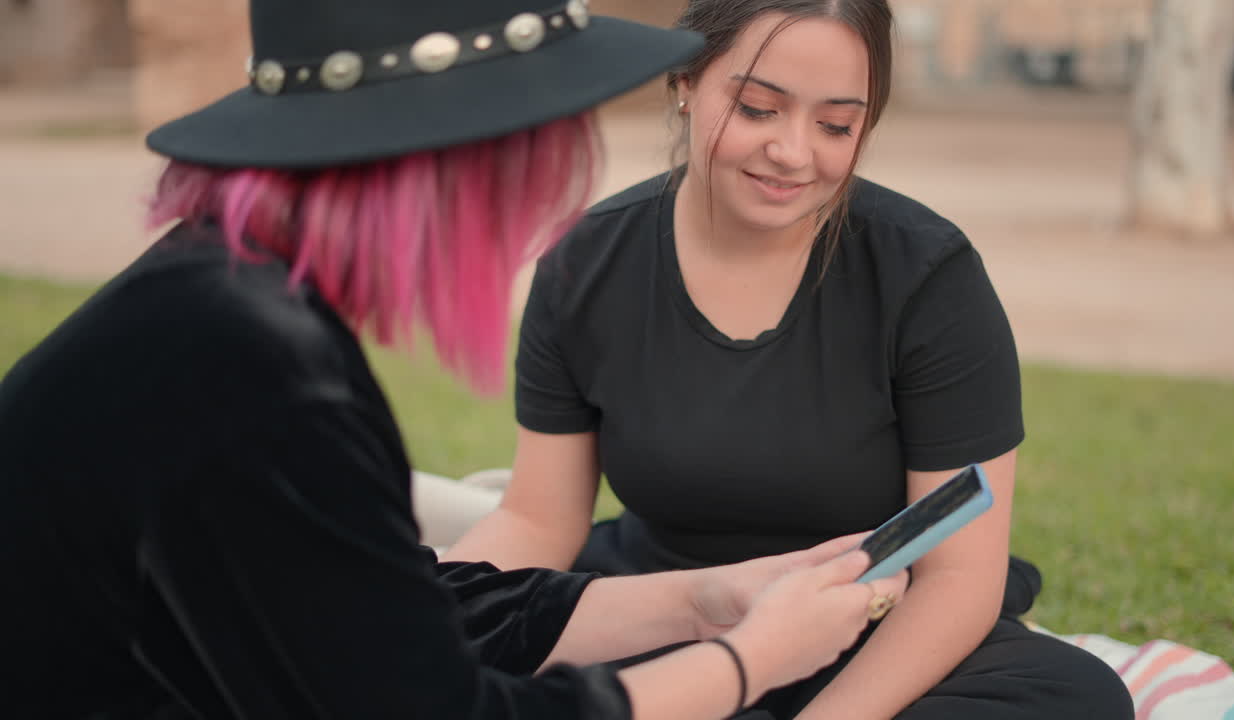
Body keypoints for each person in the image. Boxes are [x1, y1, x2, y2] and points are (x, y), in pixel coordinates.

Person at [0, 0, 909, 717]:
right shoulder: (259, 375)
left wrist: (701, 602)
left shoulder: (215, 297)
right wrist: (750, 663)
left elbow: (377, 617)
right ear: (471, 161)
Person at [443, 1, 1135, 718]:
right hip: (665, 617)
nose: (794, 153)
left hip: (870, 630)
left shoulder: (928, 277)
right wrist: (432, 605)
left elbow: (958, 574)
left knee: (1074, 698)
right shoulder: (584, 267)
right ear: (685, 81)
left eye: (835, 124)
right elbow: (538, 521)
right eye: (757, 109)